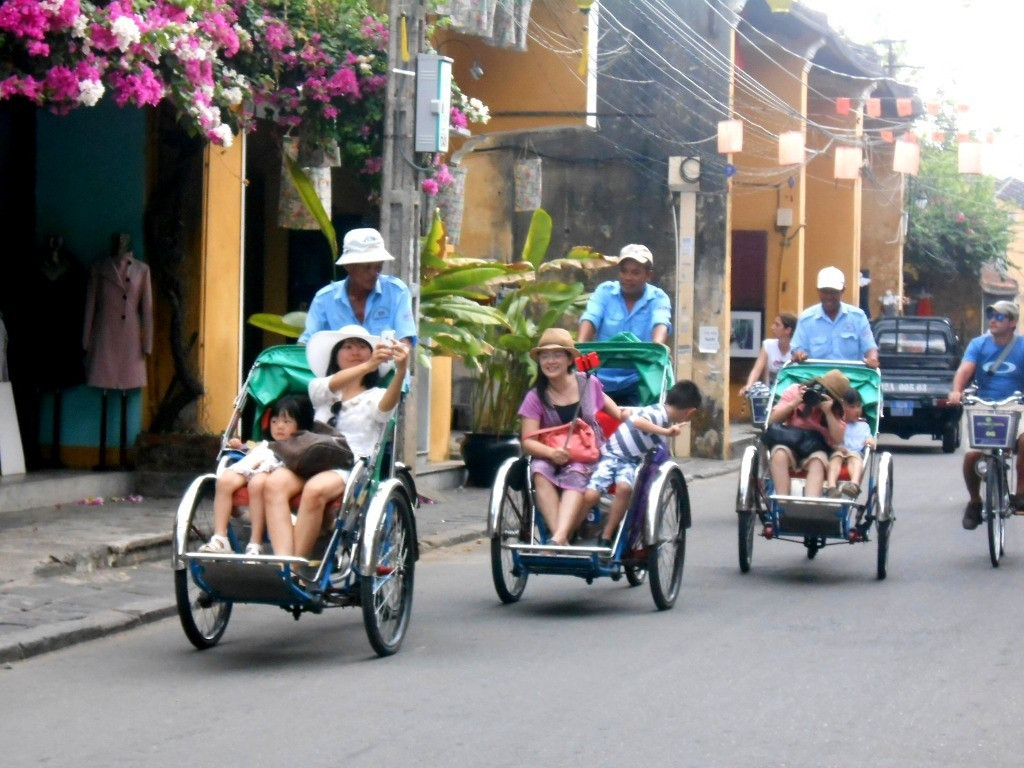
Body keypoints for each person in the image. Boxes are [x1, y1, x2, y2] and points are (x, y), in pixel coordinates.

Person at [262, 325, 408, 558]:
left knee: (314, 489)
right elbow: (330, 385)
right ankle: (284, 565)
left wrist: (400, 372)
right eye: (347, 347)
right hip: (310, 459)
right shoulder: (321, 388)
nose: (355, 351)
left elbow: (385, 409)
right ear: (335, 357)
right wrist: (369, 365)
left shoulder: (375, 396)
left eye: (362, 347)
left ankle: (295, 568)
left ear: (372, 354)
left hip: (349, 466)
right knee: (273, 484)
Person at [519, 328, 627, 546]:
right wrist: (552, 453)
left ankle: (559, 537)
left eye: (557, 355)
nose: (550, 361)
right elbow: (528, 440)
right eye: (545, 356)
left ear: (569, 358)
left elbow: (618, 413)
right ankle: (560, 536)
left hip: (586, 455)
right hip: (549, 455)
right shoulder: (535, 397)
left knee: (576, 472)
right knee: (539, 471)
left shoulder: (588, 384)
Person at [582, 381, 702, 548]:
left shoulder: (659, 413)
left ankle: (607, 535)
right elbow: (639, 422)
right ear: (690, 413)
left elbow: (628, 415)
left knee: (625, 489)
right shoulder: (658, 414)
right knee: (591, 496)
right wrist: (666, 432)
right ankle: (570, 531)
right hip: (611, 456)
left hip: (630, 461)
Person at [199, 394, 313, 555]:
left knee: (257, 483)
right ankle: (220, 537)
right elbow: (250, 448)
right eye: (275, 421)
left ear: (301, 425)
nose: (279, 426)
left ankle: (255, 542)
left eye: (286, 422)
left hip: (270, 472)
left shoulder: (298, 446)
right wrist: (238, 445)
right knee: (224, 480)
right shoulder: (264, 444)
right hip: (251, 464)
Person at [947, 300, 1024, 530]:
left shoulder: (1021, 346)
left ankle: (1020, 493)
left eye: (1000, 317)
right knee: (972, 456)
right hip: (983, 406)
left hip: (1016, 406)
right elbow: (965, 369)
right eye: (991, 315)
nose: (993, 319)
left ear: (1012, 323)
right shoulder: (978, 344)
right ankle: (974, 500)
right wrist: (956, 391)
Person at [577, 243, 672, 405]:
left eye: (636, 272)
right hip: (600, 379)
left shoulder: (658, 298)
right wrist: (580, 344)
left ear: (648, 275)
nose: (628, 277)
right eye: (624, 271)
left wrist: (657, 347)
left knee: (646, 423)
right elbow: (591, 316)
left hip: (638, 381)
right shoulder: (605, 292)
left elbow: (661, 321)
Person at [298, 228, 417, 348]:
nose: (374, 273)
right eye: (367, 267)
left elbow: (405, 337)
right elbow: (307, 342)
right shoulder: (324, 299)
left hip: (388, 365)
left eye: (378, 266)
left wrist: (401, 354)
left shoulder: (396, 291)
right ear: (348, 266)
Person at [767, 369, 849, 498]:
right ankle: (782, 503)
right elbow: (773, 420)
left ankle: (810, 504)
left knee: (818, 461)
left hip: (816, 449)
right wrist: (795, 402)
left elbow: (838, 439)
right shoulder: (795, 391)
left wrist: (828, 412)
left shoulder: (835, 408)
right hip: (791, 442)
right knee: (779, 454)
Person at [790, 266, 878, 368]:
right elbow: (797, 349)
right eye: (824, 291)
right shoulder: (806, 319)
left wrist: (872, 360)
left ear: (843, 290)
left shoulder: (858, 317)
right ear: (818, 290)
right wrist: (799, 354)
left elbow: (870, 348)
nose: (829, 296)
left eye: (833, 292)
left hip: (852, 378)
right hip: (815, 377)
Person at [824, 388, 875, 500]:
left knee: (855, 459)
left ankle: (854, 485)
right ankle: (831, 487)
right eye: (852, 407)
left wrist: (871, 441)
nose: (857, 410)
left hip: (856, 452)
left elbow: (870, 439)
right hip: (839, 451)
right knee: (836, 458)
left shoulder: (864, 426)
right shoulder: (837, 424)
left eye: (858, 406)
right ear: (842, 408)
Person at [739, 312, 798, 396]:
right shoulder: (768, 345)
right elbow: (757, 370)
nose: (772, 327)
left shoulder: (797, 349)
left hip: (790, 396)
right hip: (770, 395)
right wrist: (749, 385)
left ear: (788, 330)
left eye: (777, 325)